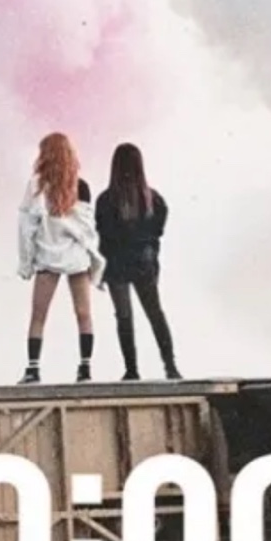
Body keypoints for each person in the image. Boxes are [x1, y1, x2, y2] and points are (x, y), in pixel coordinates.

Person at [18, 133, 105, 384]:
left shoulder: (37, 186)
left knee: (38, 315)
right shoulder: (82, 186)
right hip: (77, 257)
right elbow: (87, 229)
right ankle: (85, 369)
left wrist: (26, 262)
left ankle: (33, 370)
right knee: (84, 313)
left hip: (47, 256)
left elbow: (26, 227)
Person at [95, 143, 180, 381]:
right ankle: (170, 366)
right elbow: (158, 231)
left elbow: (101, 237)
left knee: (124, 317)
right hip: (144, 263)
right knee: (155, 313)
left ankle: (131, 370)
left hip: (116, 265)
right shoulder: (153, 199)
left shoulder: (106, 200)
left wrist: (100, 270)